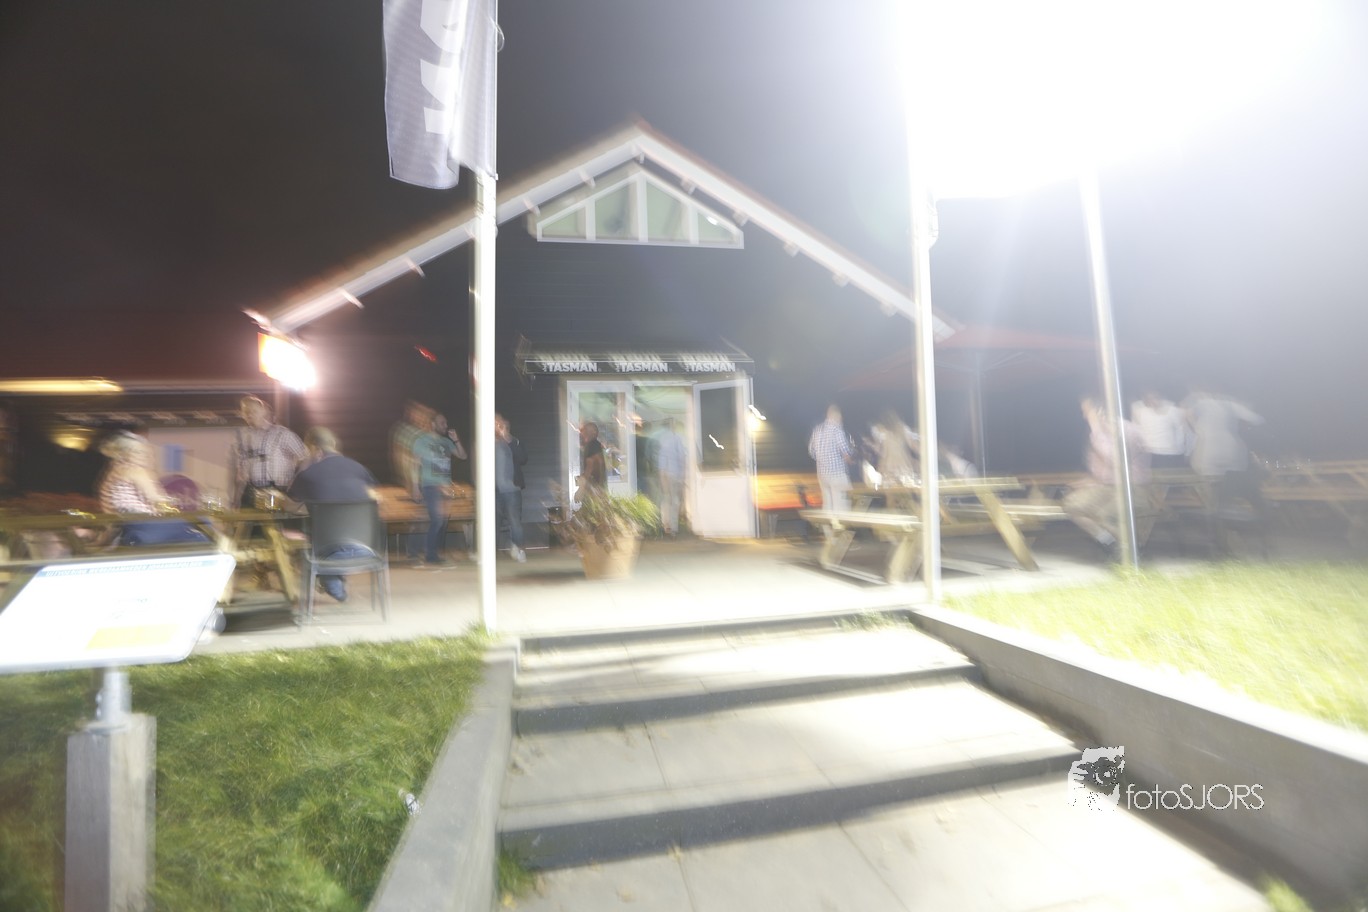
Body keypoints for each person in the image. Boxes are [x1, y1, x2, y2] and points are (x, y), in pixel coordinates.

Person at [285, 427, 379, 602]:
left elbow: (289, 506)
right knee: (334, 536)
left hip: (327, 550)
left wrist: (304, 467)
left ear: (315, 449)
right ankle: (333, 579)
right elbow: (375, 499)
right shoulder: (359, 468)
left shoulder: (308, 474)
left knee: (294, 535)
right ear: (334, 444)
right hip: (367, 547)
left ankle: (329, 581)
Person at [1063, 396, 1156, 562]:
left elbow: (1116, 460)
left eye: (1086, 411)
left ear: (1101, 410)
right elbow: (1100, 468)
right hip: (1106, 488)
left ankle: (1132, 551)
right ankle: (1109, 542)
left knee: (1105, 516)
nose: (1084, 416)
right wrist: (1091, 480)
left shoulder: (1128, 431)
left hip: (1132, 489)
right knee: (1073, 505)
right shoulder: (1097, 434)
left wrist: (1096, 430)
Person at [1182, 384, 1268, 548]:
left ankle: (1218, 538)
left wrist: (1197, 428)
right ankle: (1228, 535)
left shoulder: (1200, 401)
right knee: (1224, 499)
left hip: (1207, 457)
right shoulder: (1230, 404)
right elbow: (1257, 419)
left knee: (1212, 501)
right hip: (1233, 457)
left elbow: (1186, 411)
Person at [97, 431, 210, 546]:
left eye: (146, 453)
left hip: (131, 527)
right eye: (139, 452)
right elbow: (158, 501)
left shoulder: (114, 473)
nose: (145, 456)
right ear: (126, 453)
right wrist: (174, 510)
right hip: (149, 526)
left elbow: (111, 510)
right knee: (203, 524)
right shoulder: (136, 471)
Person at [231, 396, 307, 508]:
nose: (249, 415)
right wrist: (236, 499)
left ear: (263, 412)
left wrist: (295, 481)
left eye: (253, 411)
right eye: (246, 412)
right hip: (251, 493)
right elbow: (240, 472)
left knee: (276, 520)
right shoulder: (243, 438)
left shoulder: (282, 434)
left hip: (278, 491)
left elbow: (305, 457)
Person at [412, 412, 467, 568]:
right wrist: (415, 487)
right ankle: (430, 556)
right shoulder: (422, 441)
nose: (445, 426)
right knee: (437, 520)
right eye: (442, 423)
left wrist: (456, 440)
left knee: (442, 522)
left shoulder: (446, 442)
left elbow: (463, 456)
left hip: (446, 487)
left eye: (446, 423)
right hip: (430, 485)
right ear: (433, 424)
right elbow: (415, 464)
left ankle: (435, 553)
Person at [494, 413, 529, 562]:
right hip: (493, 491)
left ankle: (518, 549)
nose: (500, 428)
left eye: (504, 426)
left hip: (511, 490)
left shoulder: (513, 442)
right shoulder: (487, 443)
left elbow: (523, 458)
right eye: (497, 425)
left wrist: (508, 438)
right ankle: (490, 553)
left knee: (514, 521)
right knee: (492, 522)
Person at [808, 405, 853, 512]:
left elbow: (811, 451)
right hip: (837, 474)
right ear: (836, 415)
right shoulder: (837, 430)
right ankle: (839, 523)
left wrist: (823, 459)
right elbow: (845, 451)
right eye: (840, 417)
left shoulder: (817, 430)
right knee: (841, 506)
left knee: (827, 505)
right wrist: (850, 459)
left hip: (822, 474)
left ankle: (828, 523)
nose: (841, 419)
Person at [1130, 390, 1190, 469]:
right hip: (1150, 454)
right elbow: (1137, 433)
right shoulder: (1140, 412)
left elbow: (1181, 432)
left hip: (1170, 454)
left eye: (1155, 397)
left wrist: (1181, 451)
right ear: (1144, 400)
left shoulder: (1173, 411)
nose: (1152, 401)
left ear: (1160, 397)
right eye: (1148, 399)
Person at [655, 417, 688, 537]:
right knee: (674, 500)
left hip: (663, 472)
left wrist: (661, 474)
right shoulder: (677, 438)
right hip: (674, 473)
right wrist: (683, 475)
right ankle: (673, 528)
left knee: (665, 499)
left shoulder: (660, 438)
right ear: (673, 427)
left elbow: (660, 458)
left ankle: (666, 524)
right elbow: (682, 457)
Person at [578, 421, 606, 497]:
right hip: (597, 488)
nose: (582, 433)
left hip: (594, 489)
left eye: (585, 431)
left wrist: (580, 489)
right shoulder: (596, 445)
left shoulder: (592, 445)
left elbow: (590, 466)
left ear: (593, 433)